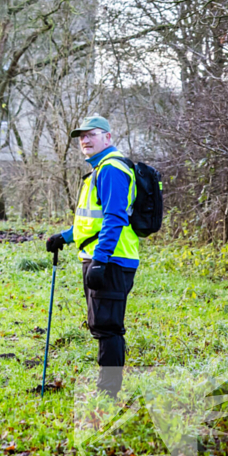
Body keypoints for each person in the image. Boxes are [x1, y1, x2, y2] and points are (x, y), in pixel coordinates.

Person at [46, 115, 139, 397]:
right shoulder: (99, 170)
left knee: (108, 327)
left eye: (92, 135)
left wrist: (100, 258)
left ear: (108, 138)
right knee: (102, 325)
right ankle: (108, 388)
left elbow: (114, 218)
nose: (85, 140)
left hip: (111, 261)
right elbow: (91, 222)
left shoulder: (111, 169)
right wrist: (63, 236)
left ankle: (108, 392)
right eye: (81, 136)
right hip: (102, 258)